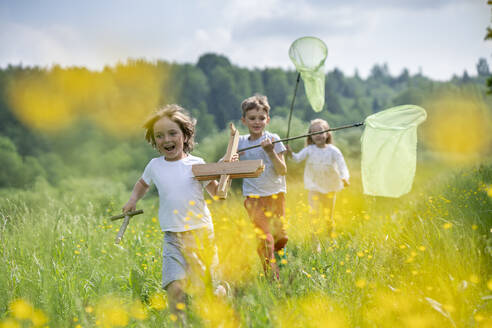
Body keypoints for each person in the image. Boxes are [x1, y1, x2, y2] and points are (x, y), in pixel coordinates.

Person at [121, 104, 228, 324]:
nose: (166, 139)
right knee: (175, 288)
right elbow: (142, 184)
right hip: (173, 238)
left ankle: (220, 294)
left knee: (203, 291)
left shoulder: (196, 164)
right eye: (159, 136)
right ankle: (179, 324)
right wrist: (132, 200)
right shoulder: (154, 166)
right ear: (154, 140)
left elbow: (218, 193)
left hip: (200, 234)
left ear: (185, 135)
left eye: (172, 133)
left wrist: (227, 172)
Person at [238, 94, 288, 280]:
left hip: (275, 196)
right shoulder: (240, 142)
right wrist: (232, 159)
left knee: (280, 238)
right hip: (253, 198)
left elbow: (282, 170)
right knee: (265, 239)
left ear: (268, 119)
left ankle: (282, 269)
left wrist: (270, 151)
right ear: (244, 120)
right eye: (252, 118)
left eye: (261, 118)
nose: (257, 122)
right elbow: (225, 164)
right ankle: (272, 276)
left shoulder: (273, 139)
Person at [287, 118, 349, 236]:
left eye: (320, 132)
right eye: (314, 133)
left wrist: (345, 178)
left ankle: (330, 239)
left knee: (328, 217)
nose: (317, 135)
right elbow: (297, 158)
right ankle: (315, 242)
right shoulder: (309, 150)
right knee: (314, 215)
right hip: (314, 187)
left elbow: (342, 166)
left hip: (330, 187)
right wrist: (290, 153)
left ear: (327, 134)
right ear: (310, 136)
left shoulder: (333, 150)